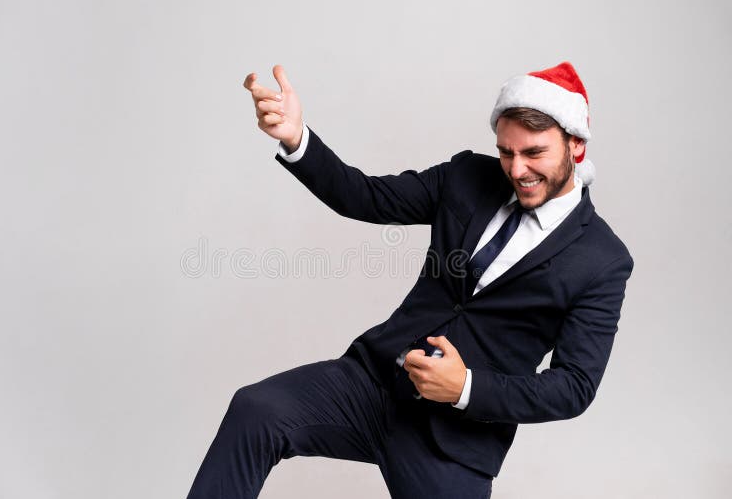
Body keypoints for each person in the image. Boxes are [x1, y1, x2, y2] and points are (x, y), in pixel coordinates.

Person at [186, 61, 633, 499]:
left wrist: (465, 387)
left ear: (575, 145)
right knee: (256, 410)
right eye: (506, 152)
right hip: (373, 384)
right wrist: (296, 138)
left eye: (534, 153)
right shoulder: (467, 177)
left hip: (454, 441)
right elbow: (365, 196)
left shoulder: (602, 260)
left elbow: (574, 386)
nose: (516, 170)